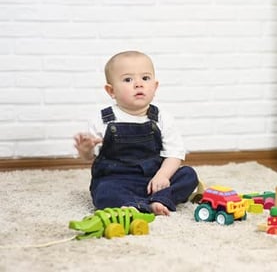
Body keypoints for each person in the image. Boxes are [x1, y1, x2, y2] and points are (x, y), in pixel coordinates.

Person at [74, 50, 199, 216]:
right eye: (128, 79)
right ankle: (130, 205)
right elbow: (90, 158)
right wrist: (85, 150)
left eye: (145, 78)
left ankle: (159, 199)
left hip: (154, 179)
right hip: (116, 180)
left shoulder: (161, 118)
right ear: (111, 91)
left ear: (155, 87)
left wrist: (162, 176)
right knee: (104, 190)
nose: (139, 84)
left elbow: (174, 154)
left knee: (188, 175)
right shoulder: (103, 119)